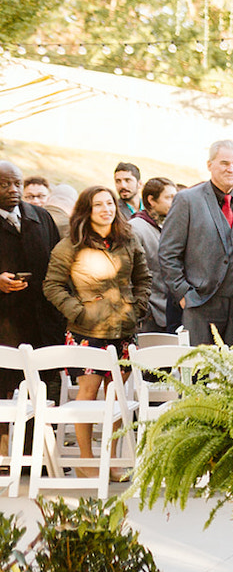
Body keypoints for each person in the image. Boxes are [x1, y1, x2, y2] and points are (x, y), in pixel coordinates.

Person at [42, 186, 149, 476]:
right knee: (87, 394)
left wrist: (137, 307)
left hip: (123, 330)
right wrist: (79, 311)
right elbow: (52, 285)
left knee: (116, 394)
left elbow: (143, 277)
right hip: (86, 331)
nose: (106, 209)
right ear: (87, 211)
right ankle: (86, 460)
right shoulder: (71, 245)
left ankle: (110, 459)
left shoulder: (129, 239)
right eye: (98, 204)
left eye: (109, 203)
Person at [158, 139, 233, 346]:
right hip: (200, 304)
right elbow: (168, 253)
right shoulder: (187, 200)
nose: (231, 169)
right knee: (201, 373)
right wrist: (183, 294)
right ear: (210, 165)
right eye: (224, 163)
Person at [0, 162, 65, 403]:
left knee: (43, 391)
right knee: (5, 392)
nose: (12, 189)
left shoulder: (40, 216)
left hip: (42, 321)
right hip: (5, 326)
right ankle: (5, 441)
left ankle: (36, 440)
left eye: (17, 183)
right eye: (4, 184)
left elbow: (58, 262)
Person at [127, 177, 177, 334]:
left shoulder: (168, 225)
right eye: (169, 197)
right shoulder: (136, 228)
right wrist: (143, 308)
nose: (174, 202)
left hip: (169, 313)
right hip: (149, 316)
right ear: (151, 200)